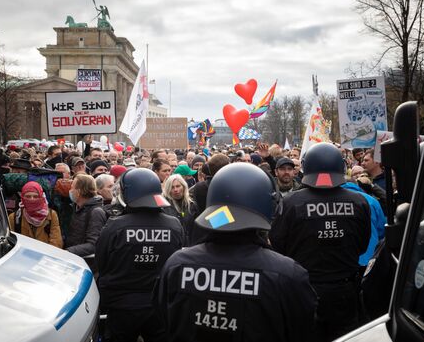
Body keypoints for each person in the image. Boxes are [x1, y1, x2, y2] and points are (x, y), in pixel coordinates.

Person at [154, 163, 318, 342]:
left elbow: (163, 318)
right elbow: (302, 328)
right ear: (269, 207)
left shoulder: (176, 264)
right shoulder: (287, 274)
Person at [270, 142, 371, 342]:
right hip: (345, 292)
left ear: (306, 167)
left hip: (303, 289)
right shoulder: (359, 202)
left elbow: (278, 244)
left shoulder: (291, 203)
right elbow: (362, 245)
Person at [96, 168, 184, 342]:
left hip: (122, 306)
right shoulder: (174, 225)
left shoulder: (114, 226)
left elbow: (102, 262)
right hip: (160, 304)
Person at [8, 181, 63, 248]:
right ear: (22, 198)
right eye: (28, 196)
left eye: (35, 196)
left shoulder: (51, 215)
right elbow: (11, 242)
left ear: (41, 197)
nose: (32, 199)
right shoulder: (14, 218)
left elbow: (56, 242)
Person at [65, 174, 106, 257]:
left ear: (79, 191)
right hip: (75, 258)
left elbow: (93, 245)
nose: (70, 190)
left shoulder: (96, 212)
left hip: (86, 263)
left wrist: (68, 252)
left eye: (72, 187)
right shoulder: (77, 207)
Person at [162, 174, 199, 246]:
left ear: (184, 187)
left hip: (190, 246)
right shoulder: (164, 206)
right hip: (172, 246)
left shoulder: (192, 205)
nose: (175, 190)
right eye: (172, 187)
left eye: (178, 186)